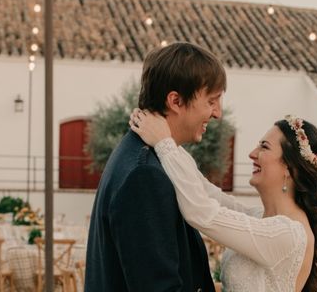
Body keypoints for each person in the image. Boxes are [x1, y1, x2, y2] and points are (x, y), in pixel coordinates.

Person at [130, 111, 317, 292]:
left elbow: (202, 213)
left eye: (264, 147)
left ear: (289, 167)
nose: (252, 153)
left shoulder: (288, 234)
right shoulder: (260, 217)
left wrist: (164, 143)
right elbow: (207, 192)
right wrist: (168, 136)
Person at [85, 42, 226, 291]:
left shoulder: (147, 156)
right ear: (176, 101)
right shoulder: (145, 174)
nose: (218, 113)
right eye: (211, 101)